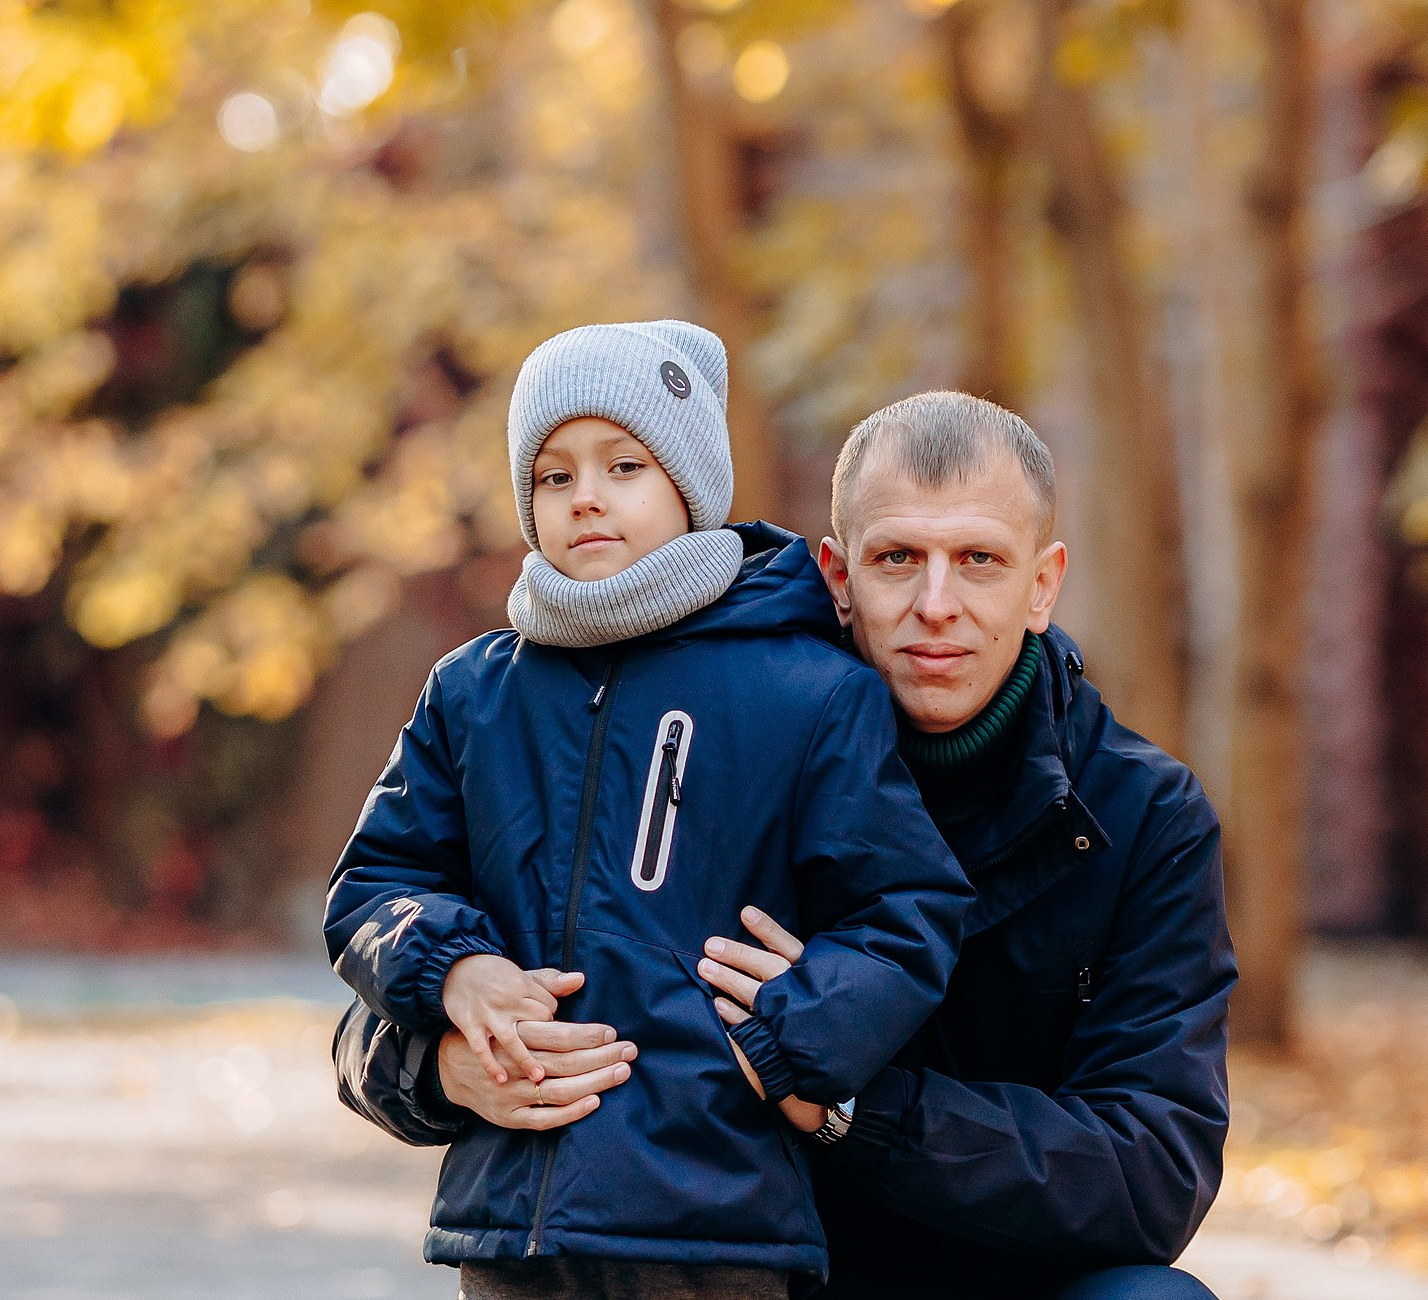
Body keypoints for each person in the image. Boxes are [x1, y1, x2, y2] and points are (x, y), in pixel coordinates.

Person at [337, 391, 1233, 1300]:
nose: (935, 604)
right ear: (838, 577)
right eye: (897, 559)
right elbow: (415, 966)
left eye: (978, 561)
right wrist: (447, 1069)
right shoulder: (720, 734)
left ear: (1041, 584)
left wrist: (850, 1108)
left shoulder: (1141, 816)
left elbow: (1152, 1175)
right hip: (752, 1267)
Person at [324, 323, 974, 1300]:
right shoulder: (475, 694)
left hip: (720, 1233)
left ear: (689, 484)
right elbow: (375, 884)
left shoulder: (809, 693)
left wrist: (786, 1037)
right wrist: (455, 970)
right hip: (515, 1228)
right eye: (553, 475)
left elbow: (908, 914)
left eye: (624, 463)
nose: (585, 494)